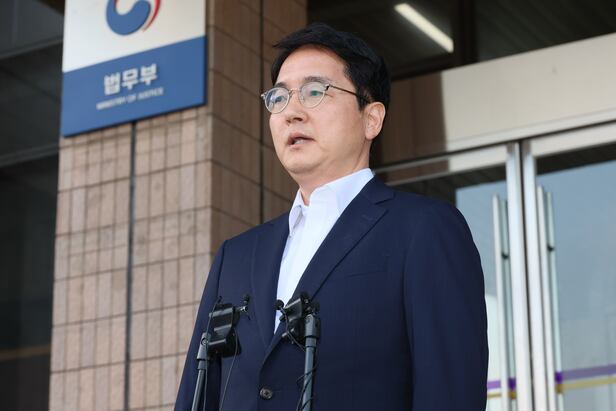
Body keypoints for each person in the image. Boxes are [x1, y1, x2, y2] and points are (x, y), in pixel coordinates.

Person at [175, 22, 488, 411]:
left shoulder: (422, 230)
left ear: (371, 118)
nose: (291, 113)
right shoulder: (235, 257)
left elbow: (450, 392)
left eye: (314, 91)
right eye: (279, 97)